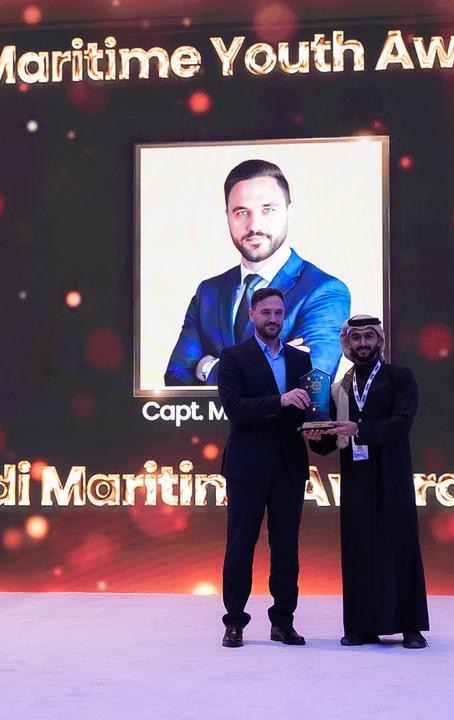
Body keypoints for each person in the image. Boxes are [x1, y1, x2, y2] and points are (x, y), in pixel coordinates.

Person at [164, 159, 350, 386]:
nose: (254, 225)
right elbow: (176, 375)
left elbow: (310, 381)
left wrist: (207, 367)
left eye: (267, 210)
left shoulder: (324, 292)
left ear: (289, 213)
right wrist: (271, 364)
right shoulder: (209, 292)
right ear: (228, 216)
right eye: (241, 212)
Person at [306, 315, 430, 649]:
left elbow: (402, 422)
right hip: (356, 477)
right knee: (358, 546)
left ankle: (410, 627)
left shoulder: (400, 378)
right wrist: (316, 438)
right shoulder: (340, 388)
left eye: (368, 337)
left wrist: (359, 429)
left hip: (392, 472)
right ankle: (361, 626)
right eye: (356, 338)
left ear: (379, 341)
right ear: (347, 344)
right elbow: (331, 441)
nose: (363, 344)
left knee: (400, 543)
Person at [216, 287, 313, 648]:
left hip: (289, 464)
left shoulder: (300, 360)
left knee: (286, 547)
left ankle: (283, 622)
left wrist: (320, 424)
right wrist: (280, 401)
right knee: (240, 545)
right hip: (247, 465)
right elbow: (234, 407)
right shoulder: (233, 357)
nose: (273, 319)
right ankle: (234, 623)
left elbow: (308, 410)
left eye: (279, 313)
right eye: (266, 312)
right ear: (252, 315)